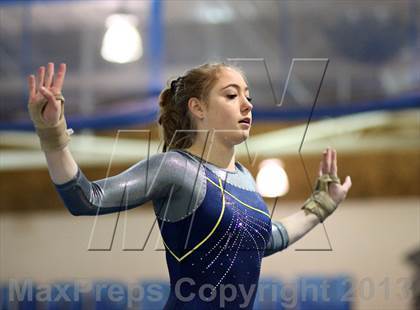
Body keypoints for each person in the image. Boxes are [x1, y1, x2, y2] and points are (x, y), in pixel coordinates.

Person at [27, 62, 352, 309]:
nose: (247, 104)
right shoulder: (175, 168)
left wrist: (320, 206)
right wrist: (52, 134)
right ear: (197, 108)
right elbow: (86, 199)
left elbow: (265, 240)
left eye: (248, 96)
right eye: (231, 95)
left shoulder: (244, 179)